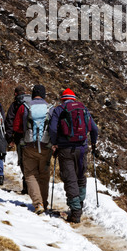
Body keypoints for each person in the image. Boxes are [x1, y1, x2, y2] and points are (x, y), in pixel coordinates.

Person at [49, 88, 98, 223]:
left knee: (70, 178)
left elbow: (52, 128)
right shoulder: (83, 108)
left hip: (65, 149)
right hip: (82, 148)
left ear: (63, 98)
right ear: (74, 98)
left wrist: (55, 143)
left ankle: (75, 212)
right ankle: (79, 205)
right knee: (80, 177)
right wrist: (93, 143)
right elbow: (94, 128)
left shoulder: (59, 109)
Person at [13, 84, 53, 214]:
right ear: (44, 94)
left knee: (30, 175)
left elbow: (17, 127)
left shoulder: (24, 107)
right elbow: (54, 128)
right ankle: (44, 203)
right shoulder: (50, 109)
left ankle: (38, 204)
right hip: (46, 146)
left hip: (29, 146)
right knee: (44, 175)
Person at [5, 86, 30, 194]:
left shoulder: (15, 105)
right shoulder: (32, 102)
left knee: (23, 161)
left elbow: (9, 121)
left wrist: (10, 138)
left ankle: (26, 185)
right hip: (35, 137)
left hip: (20, 137)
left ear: (15, 94)